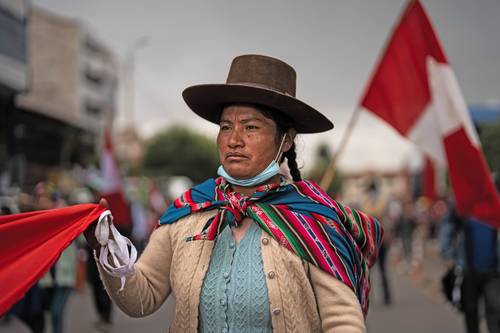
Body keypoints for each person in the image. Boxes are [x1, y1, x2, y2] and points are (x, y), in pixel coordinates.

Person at [85, 54, 383, 332]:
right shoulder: (190, 210)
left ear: (287, 140)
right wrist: (106, 248)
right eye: (226, 127)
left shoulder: (313, 221)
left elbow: (343, 321)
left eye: (250, 127)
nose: (234, 140)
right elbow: (142, 297)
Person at [439, 204, 500, 333]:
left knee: (495, 310)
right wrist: (448, 254)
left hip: (493, 270)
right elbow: (447, 227)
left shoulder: (493, 201)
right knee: (470, 311)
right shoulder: (464, 202)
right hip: (468, 270)